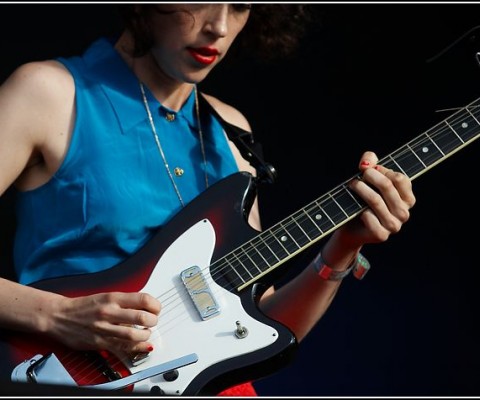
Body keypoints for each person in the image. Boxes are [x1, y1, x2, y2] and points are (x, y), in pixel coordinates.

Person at [0, 3, 416, 397]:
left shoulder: (233, 136)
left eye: (239, 5)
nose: (219, 26)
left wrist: (343, 246)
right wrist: (54, 315)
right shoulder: (48, 93)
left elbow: (259, 328)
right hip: (58, 376)